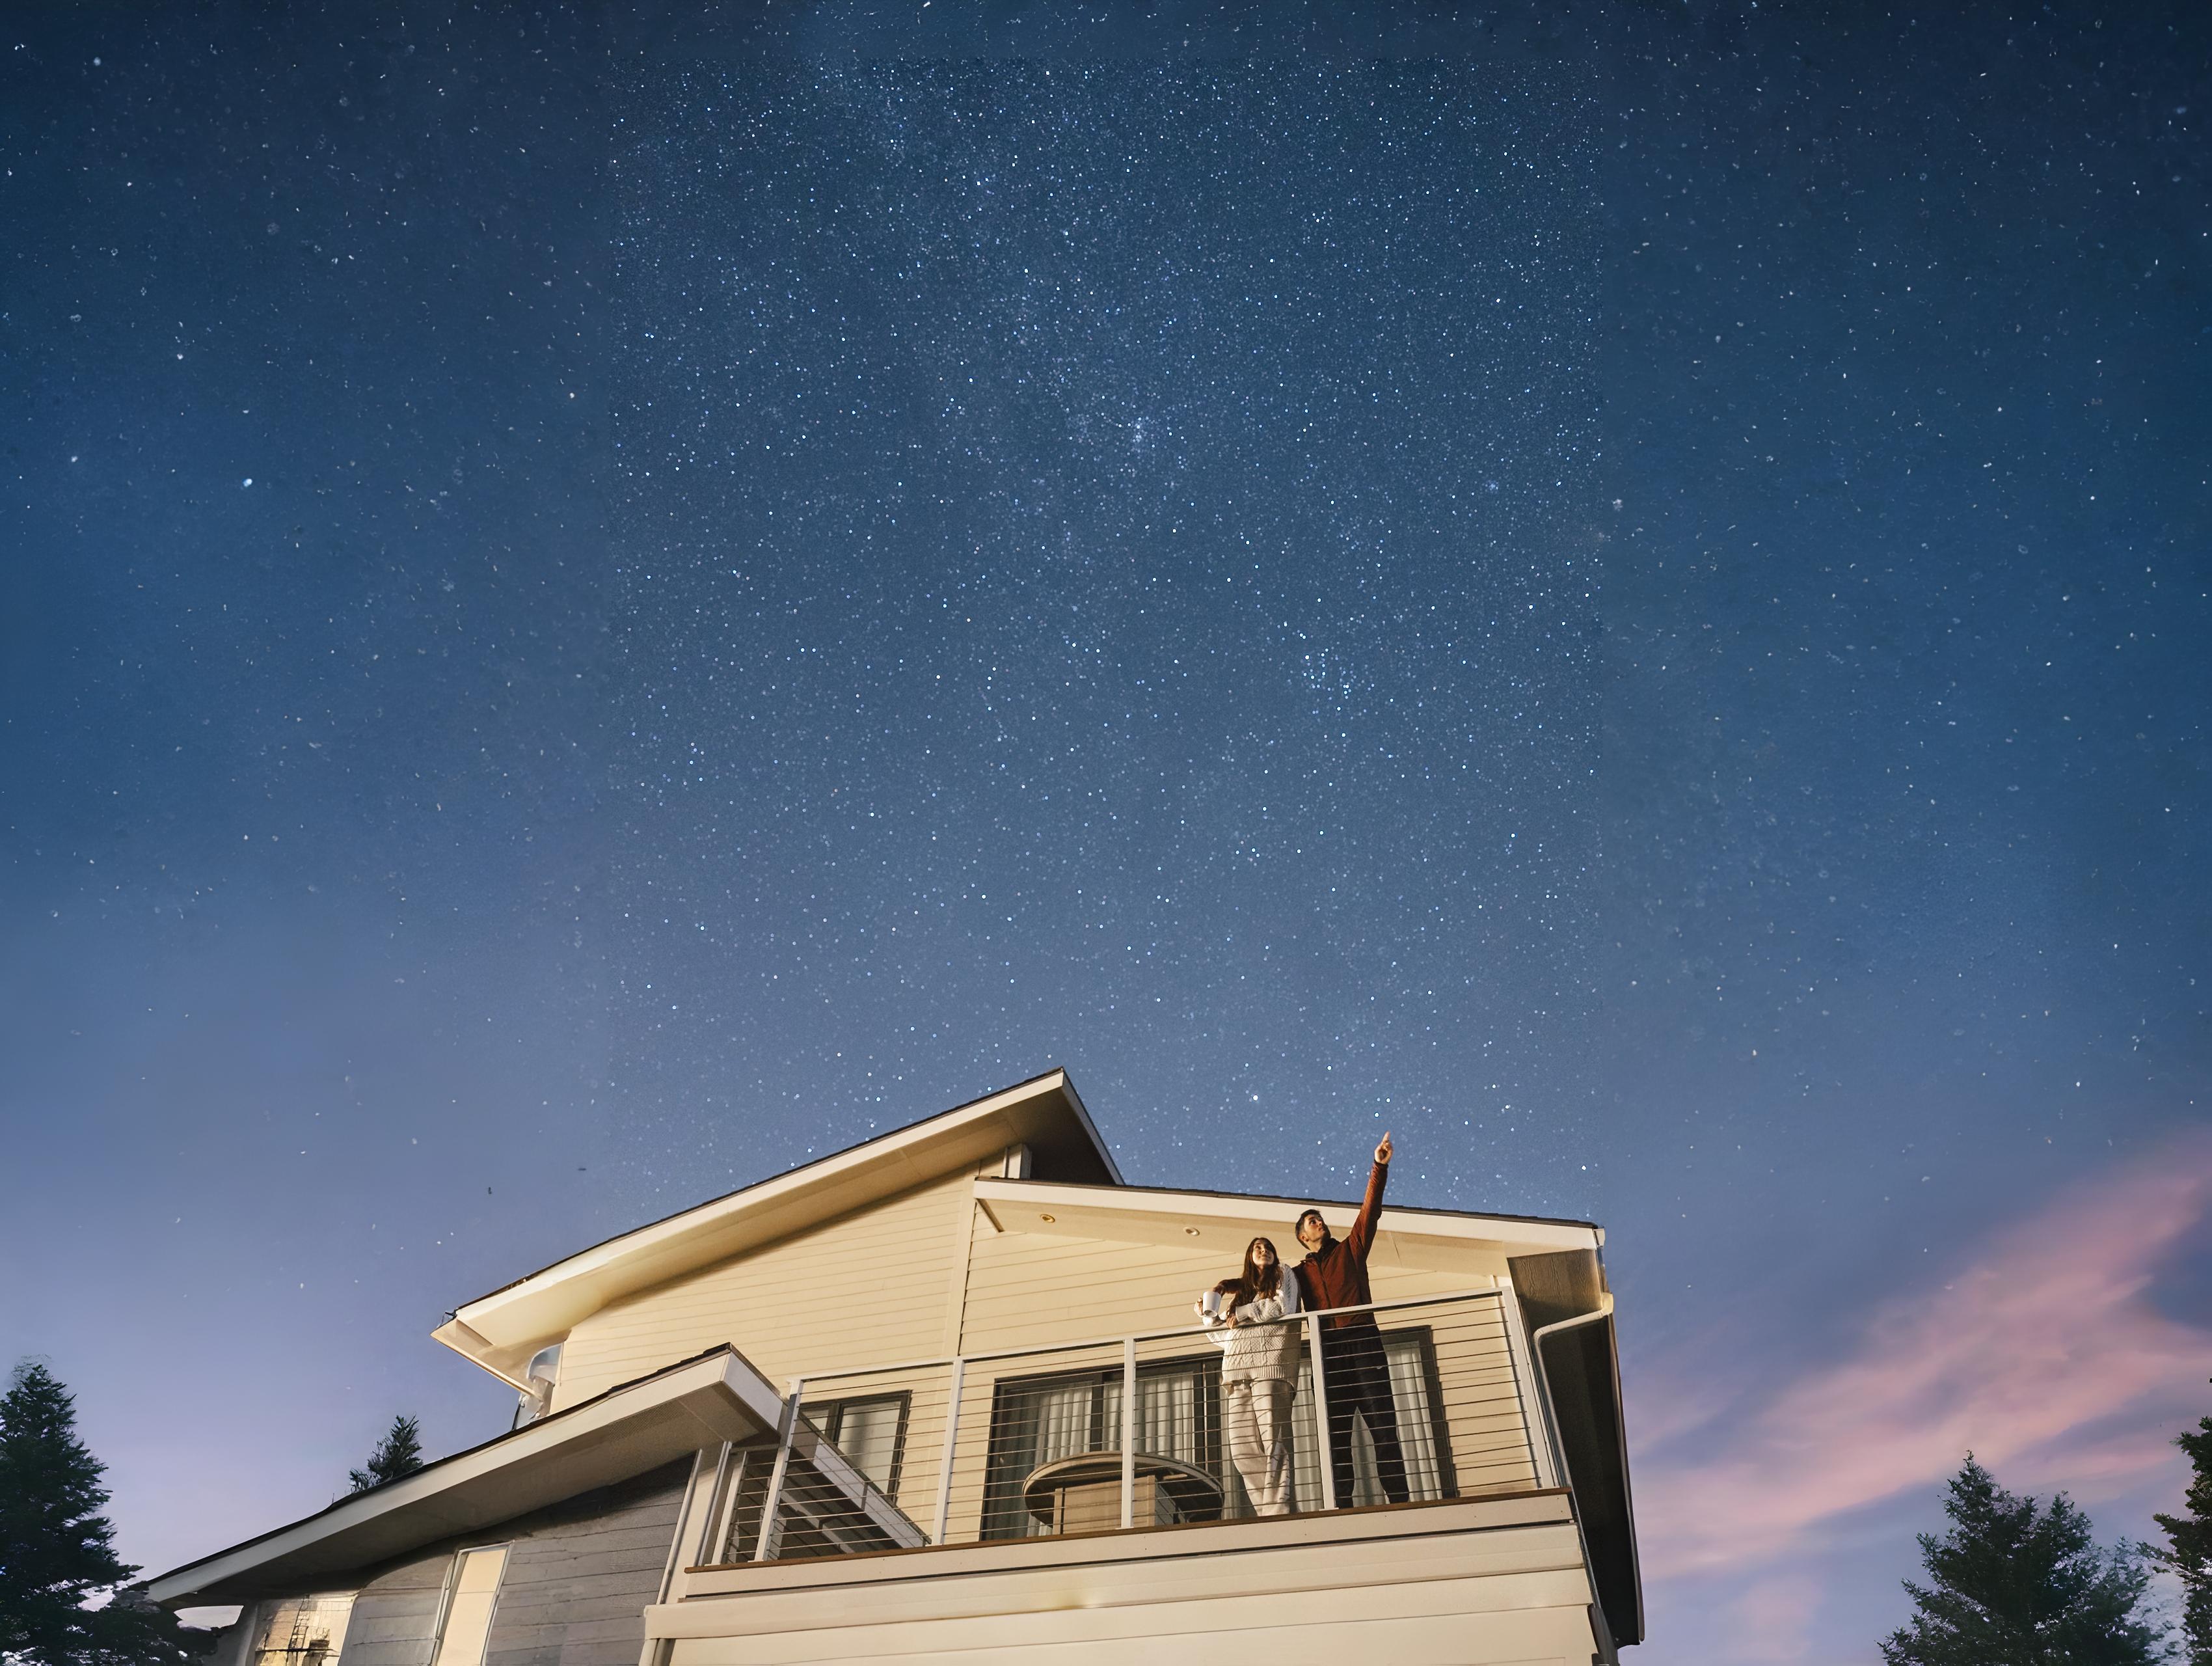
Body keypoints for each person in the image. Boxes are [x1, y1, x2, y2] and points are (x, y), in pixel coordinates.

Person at [1293, 1131, 1410, 1509]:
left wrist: (1378, 1166)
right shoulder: (1296, 1275)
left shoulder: (1351, 1249)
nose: (1318, 1222)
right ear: (1301, 1236)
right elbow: (1267, 1293)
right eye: (1311, 1221)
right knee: (1335, 1436)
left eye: (1320, 1219)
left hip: (1363, 1340)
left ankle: (1402, 1502)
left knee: (1384, 1427)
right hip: (1328, 1353)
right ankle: (1342, 1508)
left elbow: (1369, 1212)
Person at [1195, 1236, 1302, 1516]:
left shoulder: (1283, 1274)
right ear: (1249, 1256)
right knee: (1242, 1451)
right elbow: (1226, 1339)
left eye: (1268, 1247)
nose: (1264, 1251)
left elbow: (1281, 1309)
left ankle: (1279, 1513)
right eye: (1258, 1248)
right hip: (1237, 1374)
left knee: (1274, 1444)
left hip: (1270, 1369)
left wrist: (1242, 1313)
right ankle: (1268, 1513)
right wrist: (1208, 1317)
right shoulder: (1241, 1295)